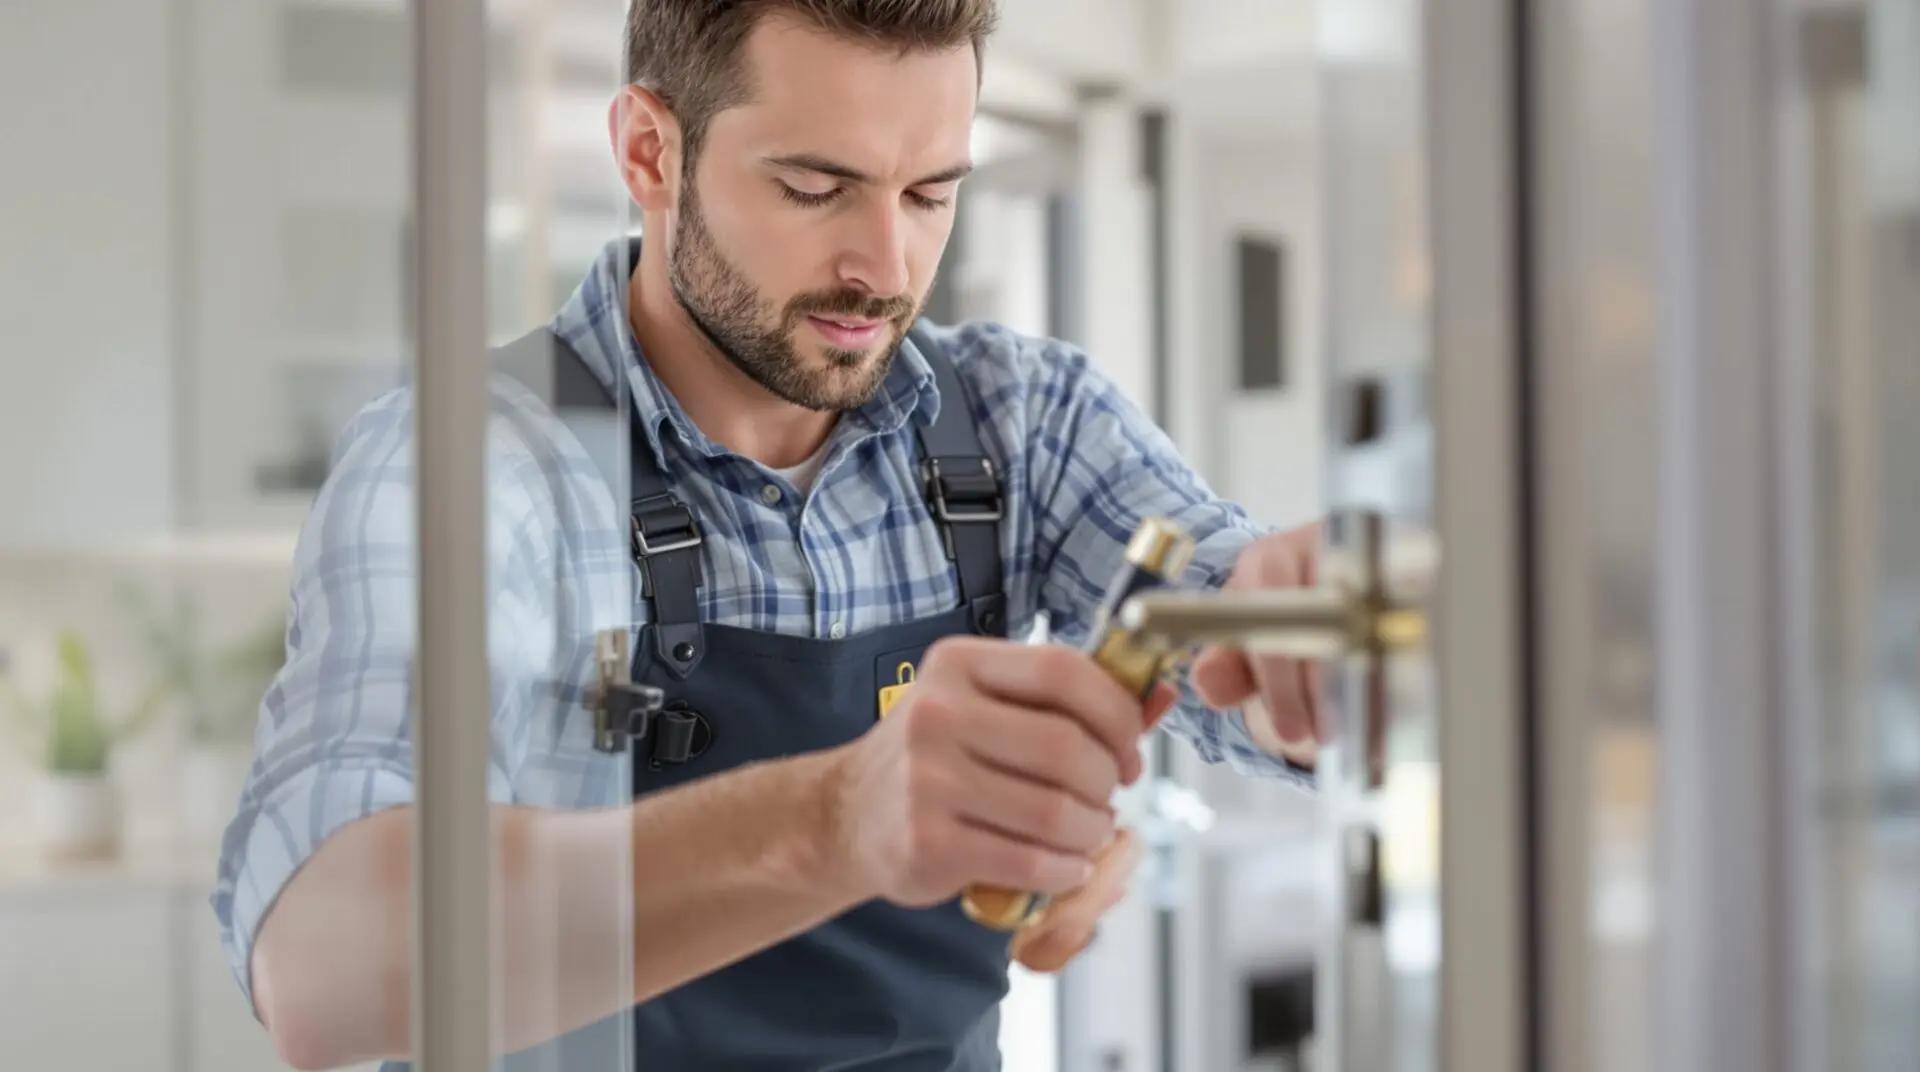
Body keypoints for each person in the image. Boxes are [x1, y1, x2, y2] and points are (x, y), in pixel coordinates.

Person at [211, 1, 1328, 1069]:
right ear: (650, 151)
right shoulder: (475, 463)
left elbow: (1232, 621)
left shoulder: (1019, 425)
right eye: (814, 187)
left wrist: (1305, 637)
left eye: (931, 195)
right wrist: (840, 819)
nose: (884, 269)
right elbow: (318, 965)